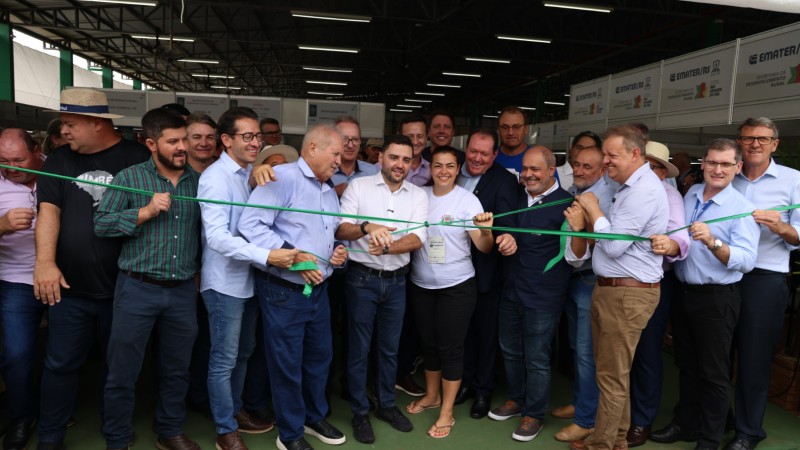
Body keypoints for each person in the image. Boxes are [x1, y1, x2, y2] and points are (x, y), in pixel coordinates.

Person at [34, 88, 150, 450]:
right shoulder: (59, 160)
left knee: (120, 369)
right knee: (59, 364)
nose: (63, 131)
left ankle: (116, 434)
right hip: (69, 287)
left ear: (97, 124)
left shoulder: (136, 158)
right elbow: (49, 212)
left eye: (70, 124)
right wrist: (45, 262)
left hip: (126, 289)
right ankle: (51, 435)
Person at [94, 108, 202, 450]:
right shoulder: (129, 178)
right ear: (152, 143)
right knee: (123, 369)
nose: (182, 146)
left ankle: (169, 431)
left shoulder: (199, 182)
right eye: (174, 141)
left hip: (183, 290)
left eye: (184, 139)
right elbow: (101, 225)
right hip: (137, 288)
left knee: (177, 369)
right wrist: (146, 211)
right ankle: (117, 436)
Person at [238, 124, 348, 450]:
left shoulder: (327, 188)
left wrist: (336, 251)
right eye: (336, 153)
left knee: (319, 359)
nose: (340, 161)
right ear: (313, 148)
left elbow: (327, 232)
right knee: (287, 365)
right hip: (284, 291)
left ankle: (314, 417)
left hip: (319, 291)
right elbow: (251, 224)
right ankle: (290, 434)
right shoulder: (281, 178)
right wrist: (296, 257)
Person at [650, 138, 759, 450]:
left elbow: (747, 261)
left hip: (717, 297)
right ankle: (686, 423)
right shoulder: (693, 193)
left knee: (713, 373)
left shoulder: (742, 208)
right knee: (687, 364)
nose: (717, 169)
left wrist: (713, 242)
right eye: (712, 162)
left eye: (725, 164)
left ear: (738, 167)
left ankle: (709, 440)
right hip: (685, 292)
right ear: (703, 164)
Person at [564, 124, 668, 450]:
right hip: (613, 289)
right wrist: (591, 213)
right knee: (612, 374)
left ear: (635, 154)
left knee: (611, 377)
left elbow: (612, 246)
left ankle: (602, 444)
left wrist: (593, 211)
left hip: (627, 292)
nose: (605, 162)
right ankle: (616, 440)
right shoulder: (626, 184)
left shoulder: (645, 190)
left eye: (612, 155)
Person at [199, 107, 288, 450]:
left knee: (244, 352)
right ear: (226, 140)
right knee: (224, 358)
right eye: (247, 136)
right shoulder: (215, 178)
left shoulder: (248, 172)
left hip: (250, 280)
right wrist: (268, 255)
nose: (256, 142)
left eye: (258, 136)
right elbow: (218, 238)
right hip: (224, 284)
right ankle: (225, 429)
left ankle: (235, 412)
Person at [405, 146, 506, 438]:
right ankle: (432, 396)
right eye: (438, 165)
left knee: (451, 348)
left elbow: (484, 248)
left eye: (450, 166)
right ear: (430, 167)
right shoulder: (419, 197)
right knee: (429, 344)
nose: (444, 172)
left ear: (458, 168)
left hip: (457, 286)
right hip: (422, 284)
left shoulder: (467, 200)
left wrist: (487, 230)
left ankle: (446, 411)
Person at [335, 135, 428, 444]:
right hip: (361, 279)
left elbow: (417, 238)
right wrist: (367, 228)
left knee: (389, 349)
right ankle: (361, 411)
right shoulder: (358, 188)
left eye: (406, 159)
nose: (399, 164)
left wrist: (387, 248)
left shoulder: (417, 195)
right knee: (359, 349)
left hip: (398, 280)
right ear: (381, 159)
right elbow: (341, 227)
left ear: (412, 163)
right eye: (394, 158)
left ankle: (386, 406)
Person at [488, 146, 573, 443]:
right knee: (510, 350)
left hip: (544, 294)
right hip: (511, 289)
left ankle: (534, 414)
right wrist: (505, 235)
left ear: (552, 170)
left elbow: (574, 253)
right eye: (525, 169)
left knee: (537, 357)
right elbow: (504, 226)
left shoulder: (567, 205)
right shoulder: (515, 196)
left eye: (535, 169)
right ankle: (517, 400)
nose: (528, 174)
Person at [728, 117, 800, 450]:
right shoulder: (728, 174)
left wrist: (780, 225)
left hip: (764, 278)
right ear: (740, 142)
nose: (755, 143)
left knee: (754, 360)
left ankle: (748, 431)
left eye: (762, 138)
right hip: (723, 275)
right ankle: (718, 419)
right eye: (748, 138)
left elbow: (798, 236)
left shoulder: (793, 180)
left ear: (775, 143)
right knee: (717, 355)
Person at [551, 134, 616, 444]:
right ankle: (581, 403)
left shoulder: (600, 198)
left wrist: (583, 228)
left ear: (602, 169)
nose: (579, 169)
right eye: (576, 164)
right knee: (579, 351)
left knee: (587, 354)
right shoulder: (578, 192)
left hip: (589, 279)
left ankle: (586, 419)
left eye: (587, 166)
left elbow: (597, 242)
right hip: (575, 278)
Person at [626, 141, 690, 447]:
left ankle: (641, 420)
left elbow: (678, 236)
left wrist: (670, 245)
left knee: (646, 352)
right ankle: (620, 415)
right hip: (621, 282)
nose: (647, 172)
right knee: (620, 352)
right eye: (643, 165)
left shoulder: (670, 196)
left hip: (654, 283)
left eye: (654, 167)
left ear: (664, 172)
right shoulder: (623, 189)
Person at [454, 128, 518, 419]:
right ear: (466, 148)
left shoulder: (504, 181)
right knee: (462, 331)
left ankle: (483, 390)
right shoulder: (452, 171)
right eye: (473, 151)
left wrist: (503, 237)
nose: (477, 158)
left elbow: (506, 222)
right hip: (452, 268)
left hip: (485, 270)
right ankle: (464, 382)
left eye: (485, 153)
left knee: (486, 333)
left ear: (495, 154)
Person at [0, 128, 47, 450]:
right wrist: (1, 225)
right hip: (15, 280)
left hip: (64, 279)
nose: (11, 167)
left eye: (19, 159)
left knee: (65, 355)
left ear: (37, 151)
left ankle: (58, 411)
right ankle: (21, 416)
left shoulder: (60, 170)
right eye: (3, 161)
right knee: (16, 355)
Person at [331, 116, 378, 197]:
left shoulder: (373, 172)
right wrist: (332, 192)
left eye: (355, 139)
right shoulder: (323, 172)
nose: (350, 145)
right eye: (345, 139)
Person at [494, 106, 531, 179]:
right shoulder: (488, 158)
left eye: (516, 127)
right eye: (505, 127)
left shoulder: (540, 159)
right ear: (498, 130)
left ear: (526, 129)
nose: (510, 132)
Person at [397, 115, 431, 186]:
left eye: (420, 136)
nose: (415, 142)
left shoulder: (433, 171)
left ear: (426, 137)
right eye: (410, 136)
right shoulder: (382, 168)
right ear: (399, 136)